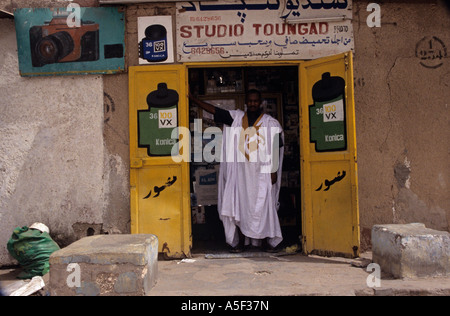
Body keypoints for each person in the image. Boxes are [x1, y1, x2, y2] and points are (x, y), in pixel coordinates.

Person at [189, 89, 284, 252]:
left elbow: (276, 147)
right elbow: (214, 110)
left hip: (262, 173)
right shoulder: (237, 118)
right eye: (251, 101)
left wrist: (273, 171)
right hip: (241, 174)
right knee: (240, 206)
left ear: (261, 102)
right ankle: (241, 242)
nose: (253, 103)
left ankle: (268, 240)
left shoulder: (270, 123)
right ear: (246, 102)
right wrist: (194, 99)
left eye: (256, 101)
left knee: (265, 206)